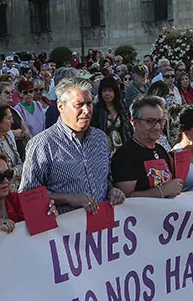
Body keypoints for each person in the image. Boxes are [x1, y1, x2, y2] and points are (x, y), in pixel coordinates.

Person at [19, 79, 126, 214]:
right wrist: (67, 198)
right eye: (79, 105)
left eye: (89, 104)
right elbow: (28, 196)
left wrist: (112, 191)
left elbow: (104, 180)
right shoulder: (42, 144)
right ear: (61, 106)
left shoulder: (100, 139)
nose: (86, 111)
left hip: (102, 230)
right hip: (64, 231)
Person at [111, 96, 183, 199]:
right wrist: (161, 191)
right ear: (134, 123)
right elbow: (125, 198)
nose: (158, 127)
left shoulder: (161, 150)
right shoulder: (124, 156)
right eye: (150, 121)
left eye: (160, 121)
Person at [92, 75, 132, 152]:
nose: (107, 94)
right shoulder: (96, 110)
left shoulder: (120, 109)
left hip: (122, 150)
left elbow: (127, 130)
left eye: (110, 90)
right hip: (103, 151)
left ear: (115, 92)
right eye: (104, 91)